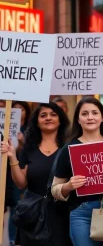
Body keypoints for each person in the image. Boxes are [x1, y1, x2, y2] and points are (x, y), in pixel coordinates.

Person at [51, 97, 103, 246]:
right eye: (84, 114)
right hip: (81, 213)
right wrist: (69, 186)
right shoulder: (68, 149)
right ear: (78, 119)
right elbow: (54, 189)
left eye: (94, 113)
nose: (90, 117)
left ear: (102, 118)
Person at [1, 102, 71, 246]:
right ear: (37, 122)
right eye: (43, 115)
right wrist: (12, 156)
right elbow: (21, 183)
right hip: (33, 215)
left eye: (53, 114)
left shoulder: (70, 147)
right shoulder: (29, 148)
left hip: (62, 213)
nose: (48, 118)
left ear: (60, 120)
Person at [6, 101, 32, 246]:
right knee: (15, 205)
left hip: (26, 168)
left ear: (26, 111)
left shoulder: (31, 128)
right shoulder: (4, 125)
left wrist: (23, 141)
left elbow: (32, 149)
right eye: (14, 108)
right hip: (9, 170)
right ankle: (12, 240)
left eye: (20, 109)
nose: (17, 111)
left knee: (23, 204)